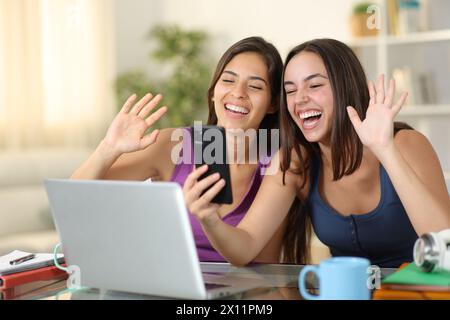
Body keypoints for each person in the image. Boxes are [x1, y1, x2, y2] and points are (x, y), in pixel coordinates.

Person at [183, 38, 450, 267]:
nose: (299, 99)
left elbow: (444, 241)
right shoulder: (298, 162)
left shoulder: (405, 144)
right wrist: (210, 219)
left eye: (314, 85)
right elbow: (244, 248)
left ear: (345, 87)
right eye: (290, 90)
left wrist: (385, 150)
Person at [71, 36, 287, 263]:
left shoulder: (279, 162)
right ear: (213, 92)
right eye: (228, 81)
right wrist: (108, 148)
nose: (239, 92)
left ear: (273, 103)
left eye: (254, 86)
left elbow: (265, 267)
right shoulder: (172, 145)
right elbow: (75, 201)